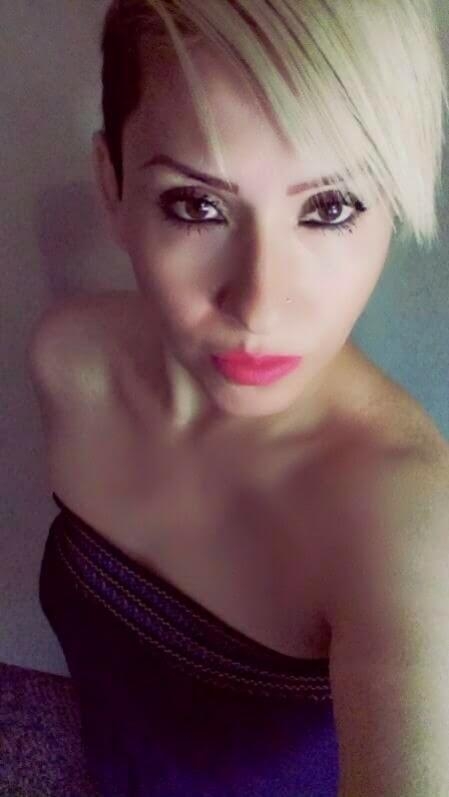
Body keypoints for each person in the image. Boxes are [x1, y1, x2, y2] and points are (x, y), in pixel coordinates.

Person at [27, 1, 449, 795]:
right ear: (111, 187)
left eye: (328, 207)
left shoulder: (403, 522)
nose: (258, 305)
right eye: (197, 205)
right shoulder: (69, 361)